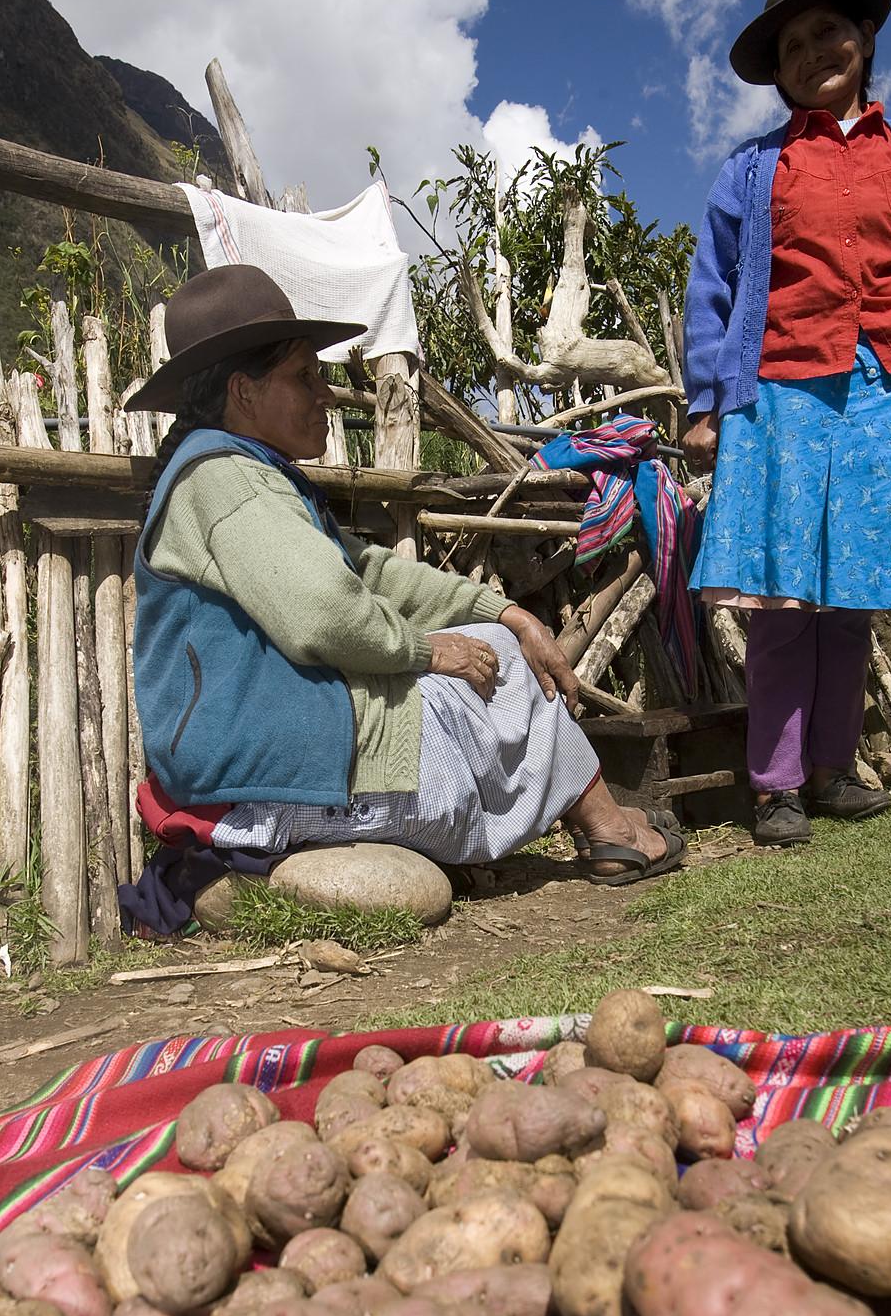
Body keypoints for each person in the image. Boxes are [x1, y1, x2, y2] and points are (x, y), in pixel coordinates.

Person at [125, 265, 685, 884]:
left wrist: (502, 610)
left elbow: (369, 573)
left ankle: (592, 826)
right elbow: (326, 611)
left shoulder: (244, 473)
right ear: (244, 392)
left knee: (499, 643)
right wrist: (425, 651)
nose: (327, 395)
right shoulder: (225, 480)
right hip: (264, 779)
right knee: (494, 668)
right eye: (304, 376)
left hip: (275, 755)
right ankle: (607, 828)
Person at [682, 0, 891, 846]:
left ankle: (831, 770)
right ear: (777, 76)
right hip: (780, 390)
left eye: (829, 31)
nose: (813, 51)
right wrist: (707, 402)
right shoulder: (752, 171)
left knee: (849, 597)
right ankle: (775, 785)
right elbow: (713, 289)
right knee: (784, 599)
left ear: (863, 39)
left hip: (887, 388)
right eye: (792, 46)